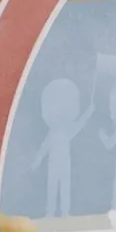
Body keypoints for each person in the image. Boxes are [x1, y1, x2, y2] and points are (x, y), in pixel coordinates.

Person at [32, 78, 94, 218]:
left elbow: (80, 124)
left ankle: (65, 212)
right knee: (52, 187)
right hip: (53, 163)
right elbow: (44, 148)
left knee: (64, 186)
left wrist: (89, 112)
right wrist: (37, 160)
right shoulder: (54, 132)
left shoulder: (67, 130)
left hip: (64, 163)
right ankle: (50, 212)